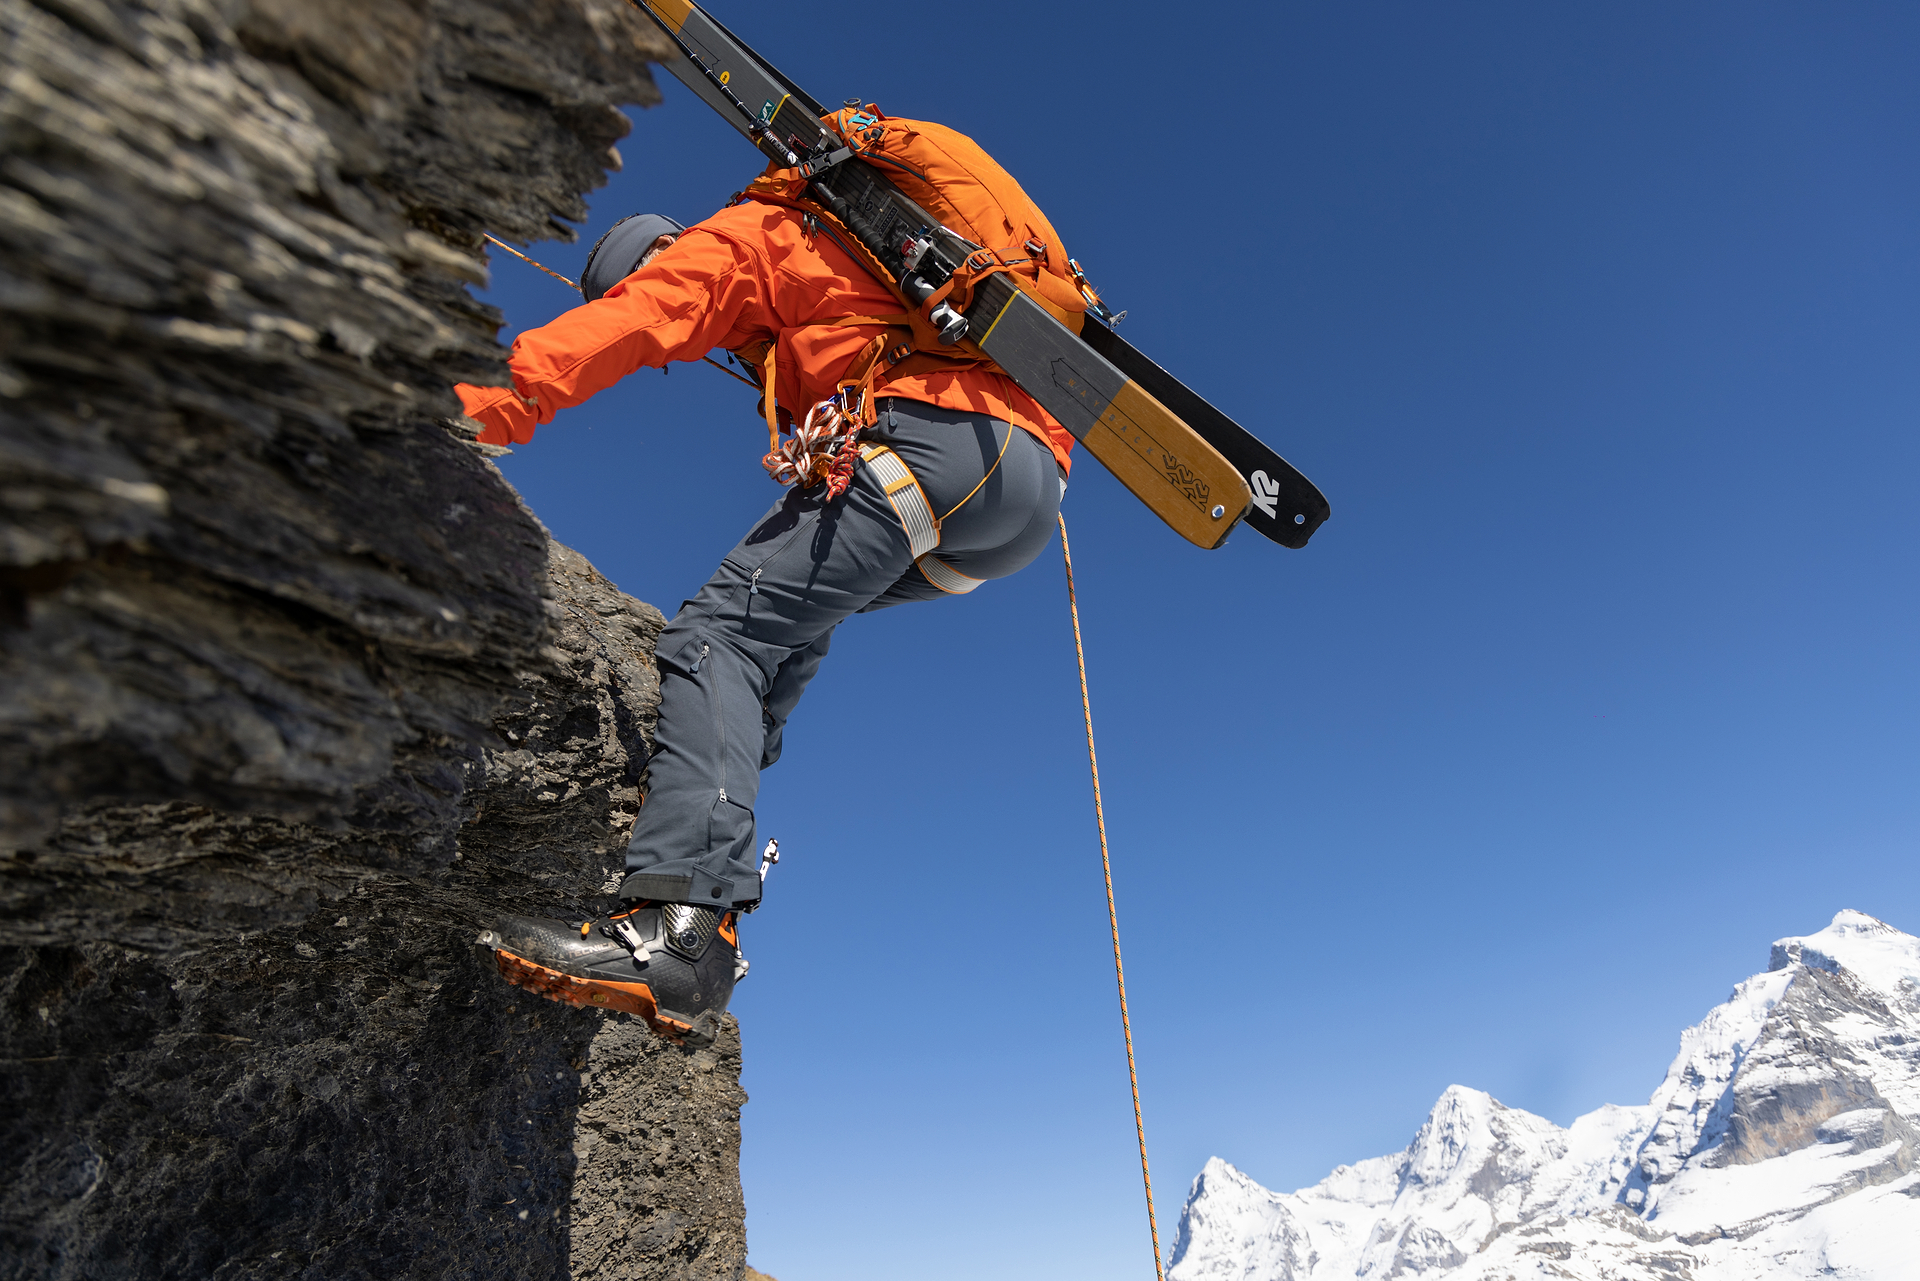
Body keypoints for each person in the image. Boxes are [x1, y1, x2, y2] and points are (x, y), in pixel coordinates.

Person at [462, 200, 1074, 1043]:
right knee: (780, 628)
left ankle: (681, 925)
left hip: (941, 446)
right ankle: (707, 809)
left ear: (656, 254)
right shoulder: (824, 277)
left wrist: (469, 409)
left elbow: (623, 327)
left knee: (719, 635)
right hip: (1017, 499)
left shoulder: (737, 239)